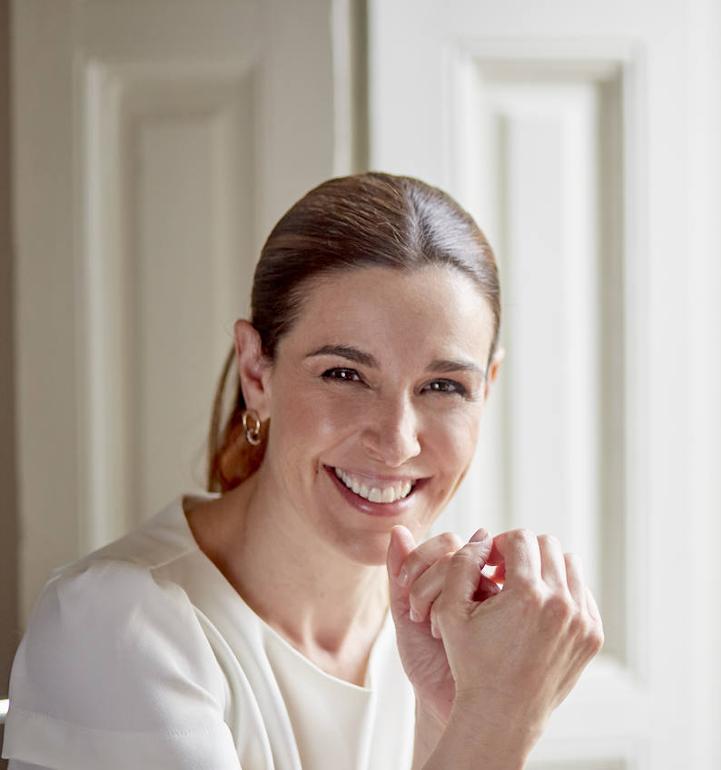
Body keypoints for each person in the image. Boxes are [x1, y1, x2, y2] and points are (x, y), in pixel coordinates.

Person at [1, 172, 604, 769]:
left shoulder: (451, 641)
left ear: (487, 388)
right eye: (344, 374)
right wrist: (499, 720)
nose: (396, 443)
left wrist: (452, 717)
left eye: (444, 386)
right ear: (256, 373)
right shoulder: (114, 626)